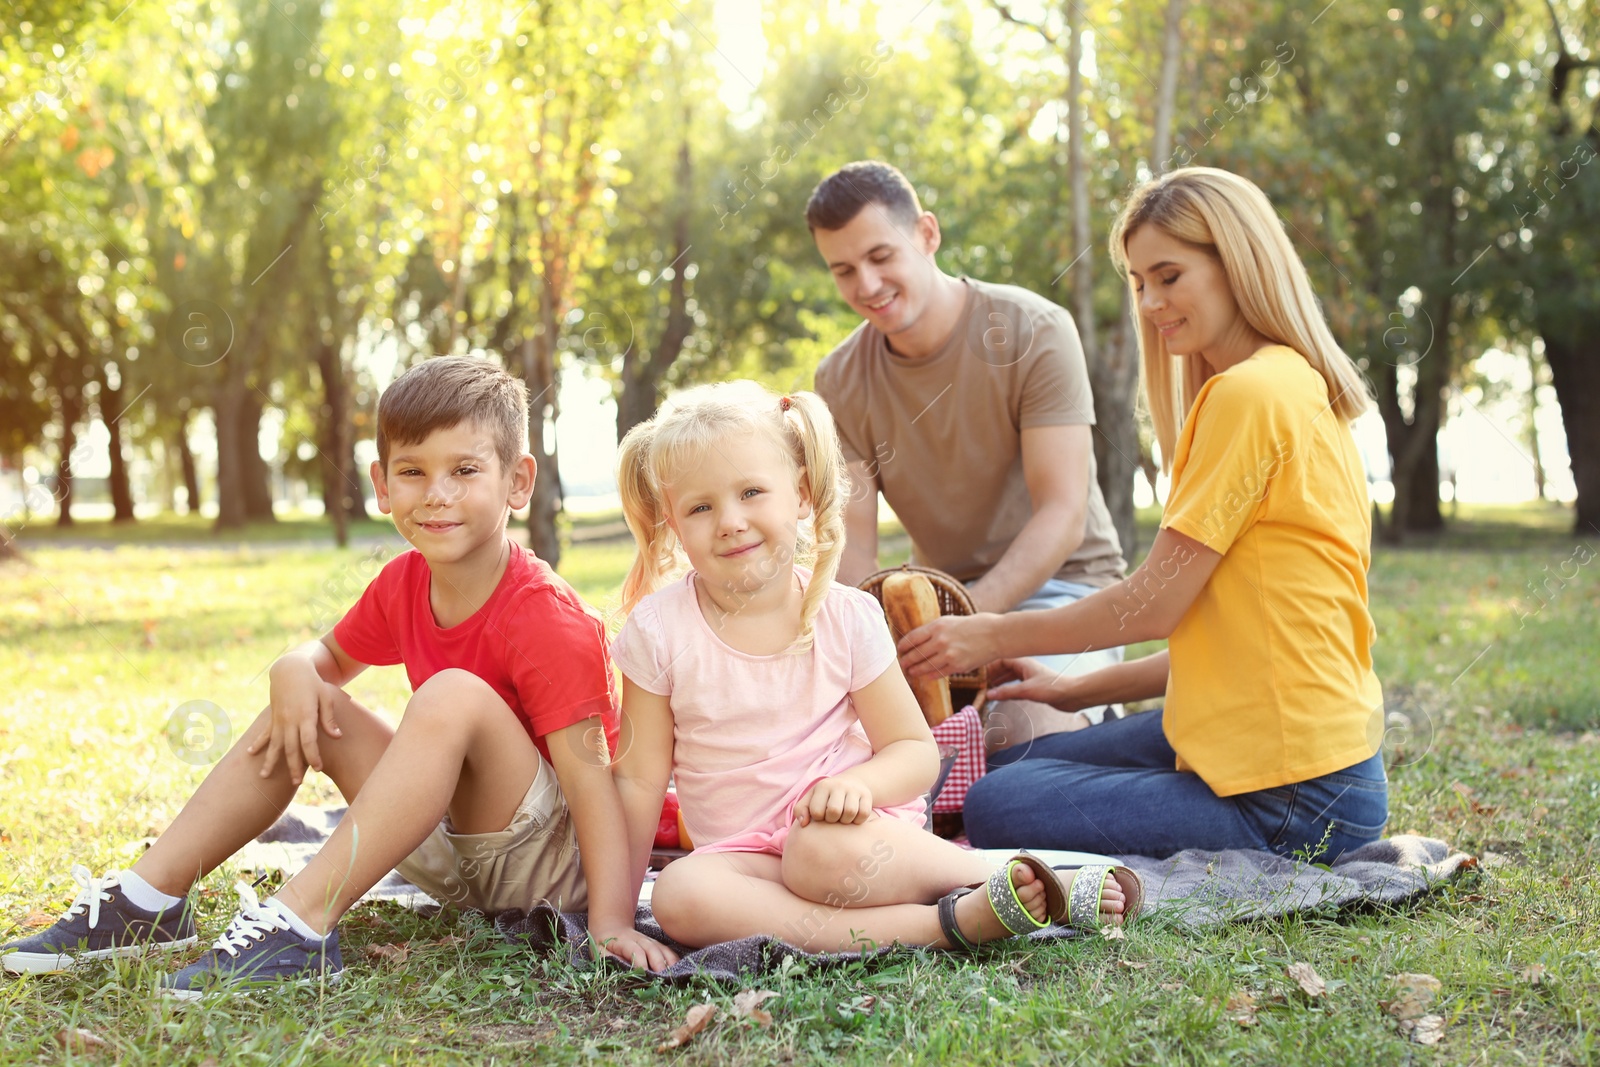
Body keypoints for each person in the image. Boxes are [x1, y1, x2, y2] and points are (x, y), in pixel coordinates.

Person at [1, 357, 675, 993]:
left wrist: (611, 920)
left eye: (465, 469)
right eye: (412, 471)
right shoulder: (404, 582)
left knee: (449, 697)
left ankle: (300, 924)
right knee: (305, 701)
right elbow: (323, 660)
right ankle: (148, 899)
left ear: (519, 481)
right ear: (382, 486)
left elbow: (591, 782)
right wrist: (291, 666)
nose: (436, 495)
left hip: (550, 866)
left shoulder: (545, 616)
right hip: (449, 849)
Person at [896, 167, 1389, 860]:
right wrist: (1071, 690)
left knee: (995, 802)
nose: (1152, 302)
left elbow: (1152, 604)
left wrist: (985, 633)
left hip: (1297, 798)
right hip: (1252, 743)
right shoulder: (1286, 381)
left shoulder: (1251, 395)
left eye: (1169, 275)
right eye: (1137, 282)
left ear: (1237, 263)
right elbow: (1227, 640)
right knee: (1009, 766)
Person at [606, 381, 1141, 954]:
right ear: (673, 523)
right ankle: (948, 925)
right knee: (679, 894)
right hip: (746, 861)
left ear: (802, 495)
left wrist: (856, 786)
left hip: (860, 842)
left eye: (752, 492)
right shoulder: (660, 631)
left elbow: (915, 753)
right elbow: (638, 780)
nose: (730, 521)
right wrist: (613, 918)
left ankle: (990, 873)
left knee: (816, 852)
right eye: (701, 507)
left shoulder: (847, 617)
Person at [807, 161, 1129, 748]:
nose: (867, 286)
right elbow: (854, 546)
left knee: (1017, 739)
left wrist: (972, 619)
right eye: (844, 270)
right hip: (938, 610)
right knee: (852, 749)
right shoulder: (838, 378)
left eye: (882, 257)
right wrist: (886, 639)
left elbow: (1061, 515)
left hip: (1066, 590)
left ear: (927, 235)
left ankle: (1096, 740)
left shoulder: (1033, 329)